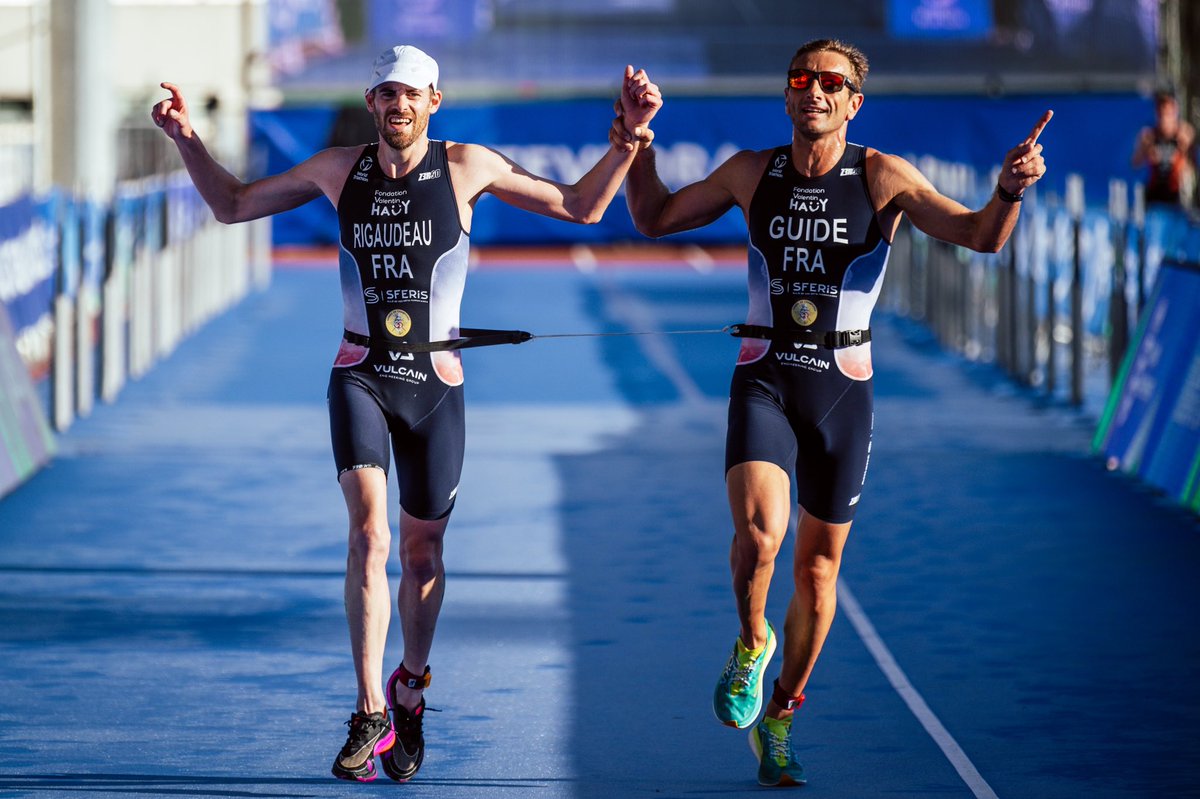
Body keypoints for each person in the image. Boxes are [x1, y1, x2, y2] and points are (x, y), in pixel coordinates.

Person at [152, 45, 661, 783]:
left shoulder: (466, 166)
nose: (398, 105)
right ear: (371, 103)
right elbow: (233, 206)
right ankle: (368, 710)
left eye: (411, 94)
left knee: (421, 553)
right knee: (368, 529)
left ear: (433, 101)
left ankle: (410, 687)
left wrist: (630, 139)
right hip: (360, 372)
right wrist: (185, 138)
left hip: (435, 385)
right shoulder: (338, 170)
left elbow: (583, 206)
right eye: (386, 93)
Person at [612, 38, 1050, 787]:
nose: (814, 89)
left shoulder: (883, 176)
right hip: (766, 374)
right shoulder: (754, 172)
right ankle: (752, 642)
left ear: (853, 102)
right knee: (759, 533)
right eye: (801, 78)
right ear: (787, 96)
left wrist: (1008, 189)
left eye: (831, 82)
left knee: (818, 570)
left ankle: (780, 713)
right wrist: (638, 139)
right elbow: (651, 216)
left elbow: (980, 235)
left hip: (843, 388)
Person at [1131, 90, 1195, 208]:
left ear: (1175, 112)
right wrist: (1145, 150)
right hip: (1155, 191)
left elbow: (1191, 170)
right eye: (1161, 113)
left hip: (1177, 194)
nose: (1165, 118)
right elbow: (1135, 164)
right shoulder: (1149, 135)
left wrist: (1183, 153)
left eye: (1168, 113)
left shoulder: (1184, 134)